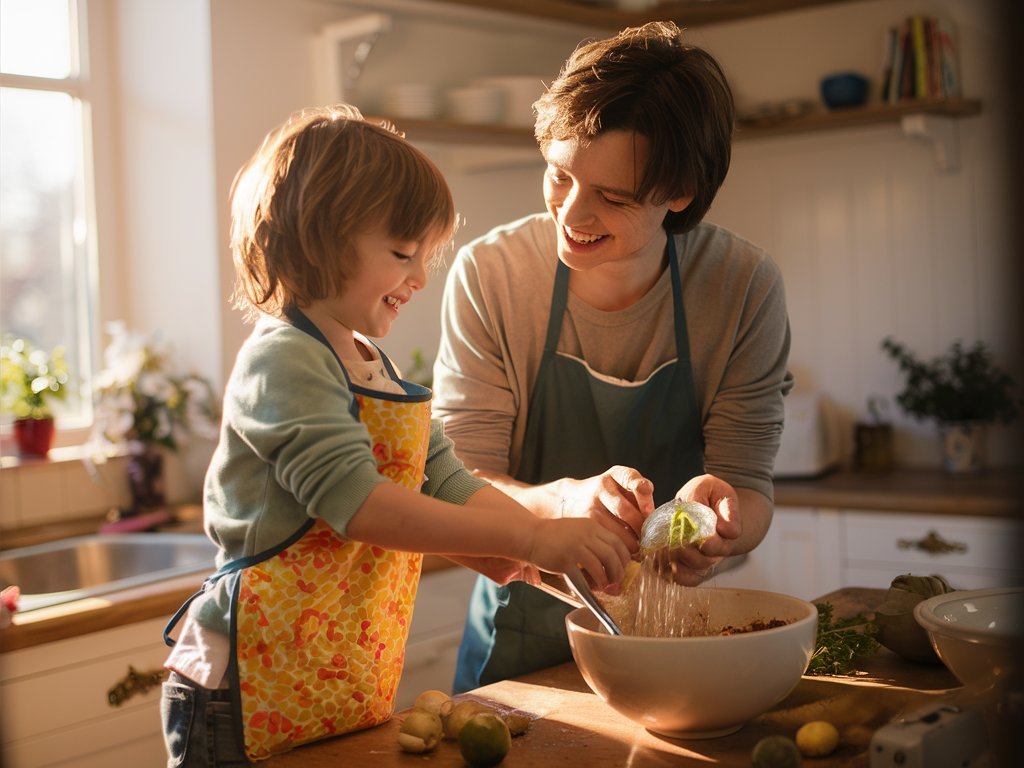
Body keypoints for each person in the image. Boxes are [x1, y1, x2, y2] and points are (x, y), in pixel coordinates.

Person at [159, 104, 631, 766]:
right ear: (321, 240)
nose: (418, 278)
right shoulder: (284, 360)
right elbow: (363, 505)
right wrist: (527, 534)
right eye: (404, 253)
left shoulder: (366, 362)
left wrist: (534, 558)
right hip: (236, 681)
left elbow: (447, 480)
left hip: (323, 675)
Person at [433, 21, 793, 693]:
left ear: (678, 194)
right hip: (523, 642)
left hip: (680, 636)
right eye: (559, 175)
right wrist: (559, 502)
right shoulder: (493, 275)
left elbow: (750, 489)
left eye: (613, 197)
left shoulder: (742, 286)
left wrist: (720, 527)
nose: (572, 210)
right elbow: (459, 483)